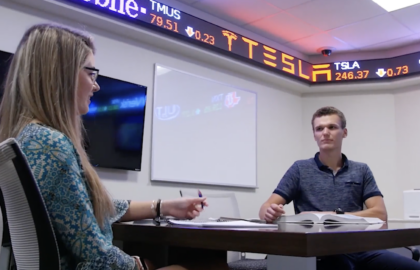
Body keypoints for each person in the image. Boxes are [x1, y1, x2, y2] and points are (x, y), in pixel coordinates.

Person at [0, 23, 228, 270]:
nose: (96, 85)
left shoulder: (29, 139)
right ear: (61, 73)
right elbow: (97, 257)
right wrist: (140, 265)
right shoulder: (51, 145)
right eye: (91, 73)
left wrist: (163, 206)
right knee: (213, 266)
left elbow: (86, 210)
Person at [259, 106, 420, 270]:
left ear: (344, 132)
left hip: (361, 247)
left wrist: (332, 215)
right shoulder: (300, 169)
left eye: (332, 127)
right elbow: (265, 208)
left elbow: (380, 214)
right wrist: (270, 211)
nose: (325, 132)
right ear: (314, 135)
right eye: (319, 128)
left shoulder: (361, 170)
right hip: (320, 251)